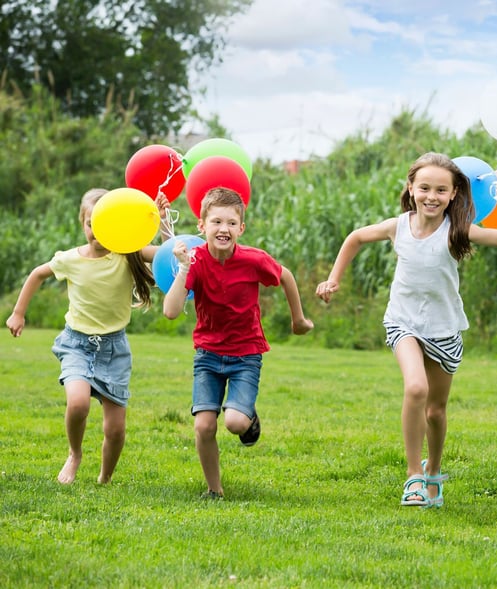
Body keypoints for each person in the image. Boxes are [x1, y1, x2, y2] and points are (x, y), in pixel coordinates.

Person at [316, 152, 497, 508]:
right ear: (411, 188)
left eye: (441, 190)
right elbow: (355, 238)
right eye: (424, 187)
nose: (431, 196)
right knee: (415, 387)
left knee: (436, 411)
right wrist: (334, 280)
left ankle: (433, 471)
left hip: (444, 328)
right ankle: (413, 476)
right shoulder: (398, 225)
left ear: (454, 194)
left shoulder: (457, 229)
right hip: (403, 322)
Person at [6, 188, 171, 485]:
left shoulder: (128, 252)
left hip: (114, 349)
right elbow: (37, 274)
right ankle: (75, 453)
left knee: (116, 429)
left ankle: (105, 478)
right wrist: (18, 313)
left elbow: (169, 256)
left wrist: (160, 223)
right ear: (82, 222)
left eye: (104, 223)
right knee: (78, 403)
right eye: (90, 223)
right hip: (77, 344)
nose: (96, 231)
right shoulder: (71, 259)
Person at [163, 187, 314, 500]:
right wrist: (184, 267)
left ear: (241, 228)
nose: (224, 229)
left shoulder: (253, 260)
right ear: (201, 226)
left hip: (246, 354)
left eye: (231, 223)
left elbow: (285, 276)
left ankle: (247, 415)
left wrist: (298, 319)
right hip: (207, 355)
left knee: (234, 422)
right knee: (204, 426)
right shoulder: (195, 260)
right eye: (216, 222)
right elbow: (171, 311)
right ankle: (214, 490)